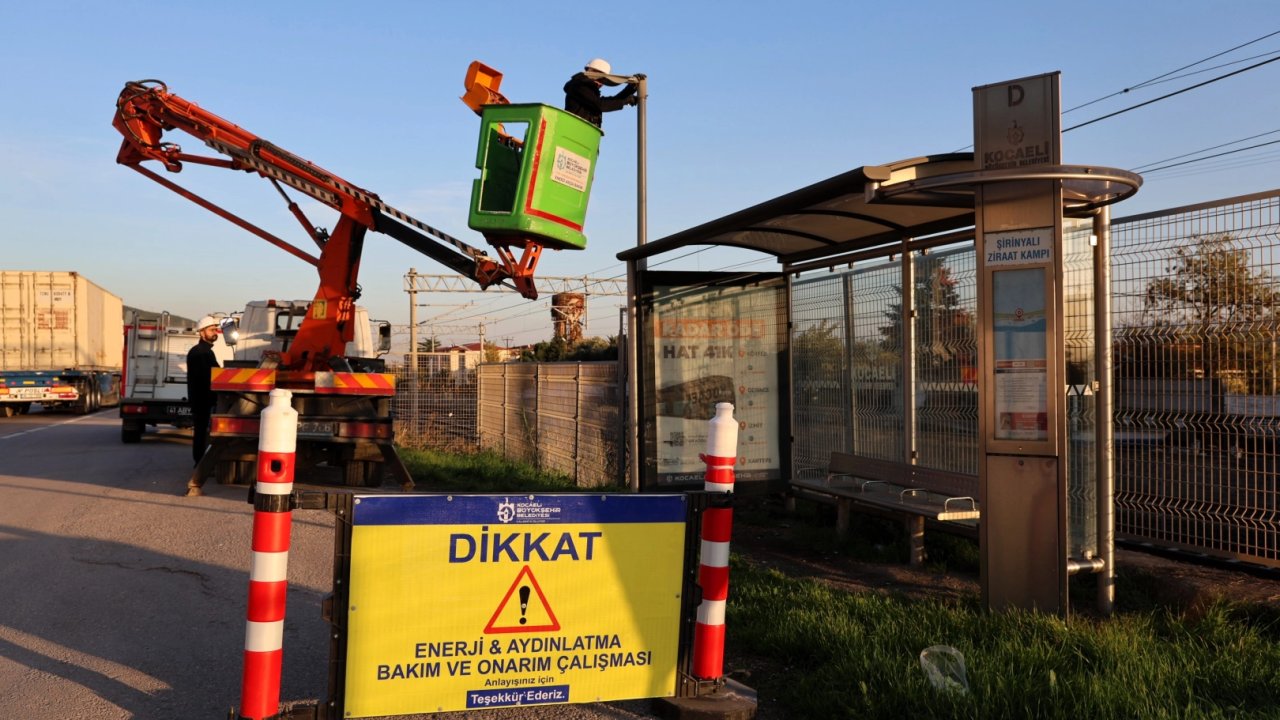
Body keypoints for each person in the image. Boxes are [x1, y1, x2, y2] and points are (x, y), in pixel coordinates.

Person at [187, 315, 221, 466]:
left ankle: (201, 462)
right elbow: (209, 375)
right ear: (202, 332)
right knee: (201, 433)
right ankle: (199, 463)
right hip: (202, 399)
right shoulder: (199, 352)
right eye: (212, 329)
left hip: (205, 399)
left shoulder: (206, 351)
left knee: (203, 432)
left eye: (216, 329)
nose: (216, 332)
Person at [563, 58, 637, 128]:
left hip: (585, 133)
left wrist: (631, 88)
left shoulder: (589, 93)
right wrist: (625, 101)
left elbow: (609, 101)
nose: (600, 83)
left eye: (603, 80)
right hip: (575, 130)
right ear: (590, 72)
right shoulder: (578, 85)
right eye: (599, 77)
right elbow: (600, 105)